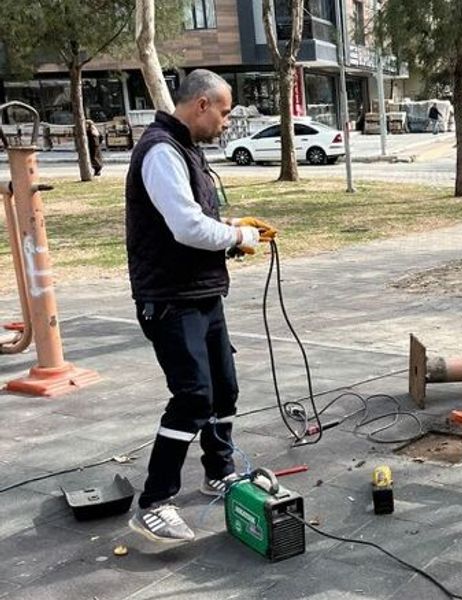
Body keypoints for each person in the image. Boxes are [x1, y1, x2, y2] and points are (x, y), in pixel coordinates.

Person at [125, 69, 277, 544]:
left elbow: (197, 219)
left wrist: (231, 228)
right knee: (193, 397)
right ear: (202, 105)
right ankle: (155, 501)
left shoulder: (187, 147)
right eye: (225, 112)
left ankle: (220, 470)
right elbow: (186, 227)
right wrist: (237, 236)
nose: (227, 122)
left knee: (223, 390)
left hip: (202, 293)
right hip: (170, 299)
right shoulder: (161, 151)